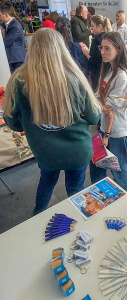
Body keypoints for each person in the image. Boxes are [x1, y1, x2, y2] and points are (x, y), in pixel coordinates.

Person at [3, 28, 100, 215]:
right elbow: (93, 118)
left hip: (45, 152)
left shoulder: (18, 81)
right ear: (60, 48)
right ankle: (76, 224)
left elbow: (12, 122)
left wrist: (32, 124)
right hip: (77, 151)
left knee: (46, 183)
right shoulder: (75, 78)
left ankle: (38, 215)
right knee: (75, 191)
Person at [90, 31, 127, 191]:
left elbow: (109, 105)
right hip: (106, 128)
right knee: (100, 166)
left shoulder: (123, 75)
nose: (102, 52)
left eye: (107, 48)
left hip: (117, 131)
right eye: (101, 47)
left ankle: (123, 204)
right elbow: (98, 97)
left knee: (119, 171)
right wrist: (101, 102)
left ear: (118, 50)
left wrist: (101, 102)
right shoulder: (110, 70)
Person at [81, 14, 112, 91]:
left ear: (99, 26)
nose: (90, 28)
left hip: (97, 72)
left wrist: (86, 54)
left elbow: (95, 61)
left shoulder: (96, 41)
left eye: (92, 26)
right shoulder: (108, 37)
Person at [0, 2, 25, 73]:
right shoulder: (6, 25)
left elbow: (6, 42)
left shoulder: (15, 26)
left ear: (6, 15)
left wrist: (3, 35)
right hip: (12, 59)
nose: (0, 18)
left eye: (0, 15)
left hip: (17, 60)